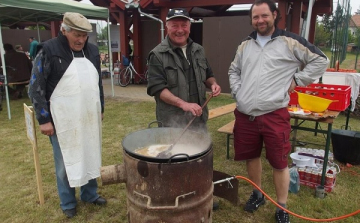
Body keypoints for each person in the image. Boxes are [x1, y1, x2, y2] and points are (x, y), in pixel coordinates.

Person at [228, 1, 328, 222]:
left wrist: (297, 79)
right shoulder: (245, 45)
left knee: (279, 162)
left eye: (264, 16)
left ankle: (282, 206)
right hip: (245, 115)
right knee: (251, 157)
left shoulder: (289, 42)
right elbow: (234, 70)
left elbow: (321, 60)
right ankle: (258, 194)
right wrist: (237, 91)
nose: (260, 21)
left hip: (274, 114)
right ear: (251, 20)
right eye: (255, 17)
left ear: (275, 15)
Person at [28, 12, 106, 218]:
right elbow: (35, 87)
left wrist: (101, 108)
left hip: (88, 113)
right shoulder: (49, 51)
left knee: (90, 153)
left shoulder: (92, 51)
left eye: (84, 35)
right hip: (63, 118)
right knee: (64, 162)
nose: (81, 40)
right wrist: (43, 119)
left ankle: (90, 194)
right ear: (64, 30)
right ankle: (68, 201)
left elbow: (97, 84)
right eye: (77, 35)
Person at [147, 8, 221, 133]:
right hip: (172, 122)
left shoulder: (199, 50)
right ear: (167, 27)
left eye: (184, 25)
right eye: (175, 26)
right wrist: (183, 104)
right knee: (175, 152)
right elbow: (157, 89)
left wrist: (213, 84)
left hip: (199, 118)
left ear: (189, 27)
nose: (180, 30)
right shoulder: (157, 54)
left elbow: (208, 74)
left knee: (200, 151)